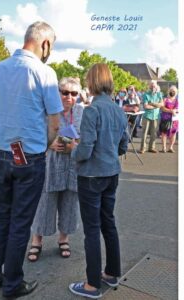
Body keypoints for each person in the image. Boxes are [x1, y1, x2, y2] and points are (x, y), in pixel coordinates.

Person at [0, 21, 63, 299]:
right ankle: (12, 283)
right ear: (45, 44)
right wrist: (45, 146)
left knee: (3, 216)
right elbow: (55, 123)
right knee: (19, 221)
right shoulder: (44, 73)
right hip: (28, 155)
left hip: (3, 153)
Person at [69, 63, 128, 299]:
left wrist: (74, 150)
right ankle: (112, 273)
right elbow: (123, 145)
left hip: (91, 175)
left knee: (92, 230)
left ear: (92, 81)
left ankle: (92, 284)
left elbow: (85, 149)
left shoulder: (92, 110)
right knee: (108, 223)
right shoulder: (118, 110)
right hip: (111, 173)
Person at [28, 77, 83, 262]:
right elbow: (33, 134)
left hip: (72, 165)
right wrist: (49, 143)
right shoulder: (48, 111)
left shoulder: (81, 111)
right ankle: (36, 240)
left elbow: (86, 136)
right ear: (58, 93)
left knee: (69, 202)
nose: (69, 97)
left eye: (74, 93)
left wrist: (75, 145)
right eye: (65, 92)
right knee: (45, 202)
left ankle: (64, 238)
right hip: (51, 163)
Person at [139, 80, 163, 154]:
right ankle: (142, 148)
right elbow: (146, 106)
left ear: (156, 86)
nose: (153, 87)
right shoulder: (146, 94)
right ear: (149, 86)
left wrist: (152, 103)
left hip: (156, 116)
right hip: (147, 116)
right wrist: (156, 106)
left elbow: (162, 104)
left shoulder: (159, 94)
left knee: (154, 133)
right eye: (151, 86)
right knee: (144, 133)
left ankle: (152, 147)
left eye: (154, 86)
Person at [159, 85, 178, 153]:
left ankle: (170, 147)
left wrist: (174, 110)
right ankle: (163, 148)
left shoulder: (177, 100)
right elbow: (162, 108)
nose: (172, 92)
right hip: (165, 119)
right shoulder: (165, 99)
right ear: (168, 91)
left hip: (174, 120)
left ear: (176, 92)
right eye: (171, 90)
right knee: (164, 133)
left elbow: (177, 108)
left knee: (173, 133)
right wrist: (171, 111)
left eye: (174, 91)